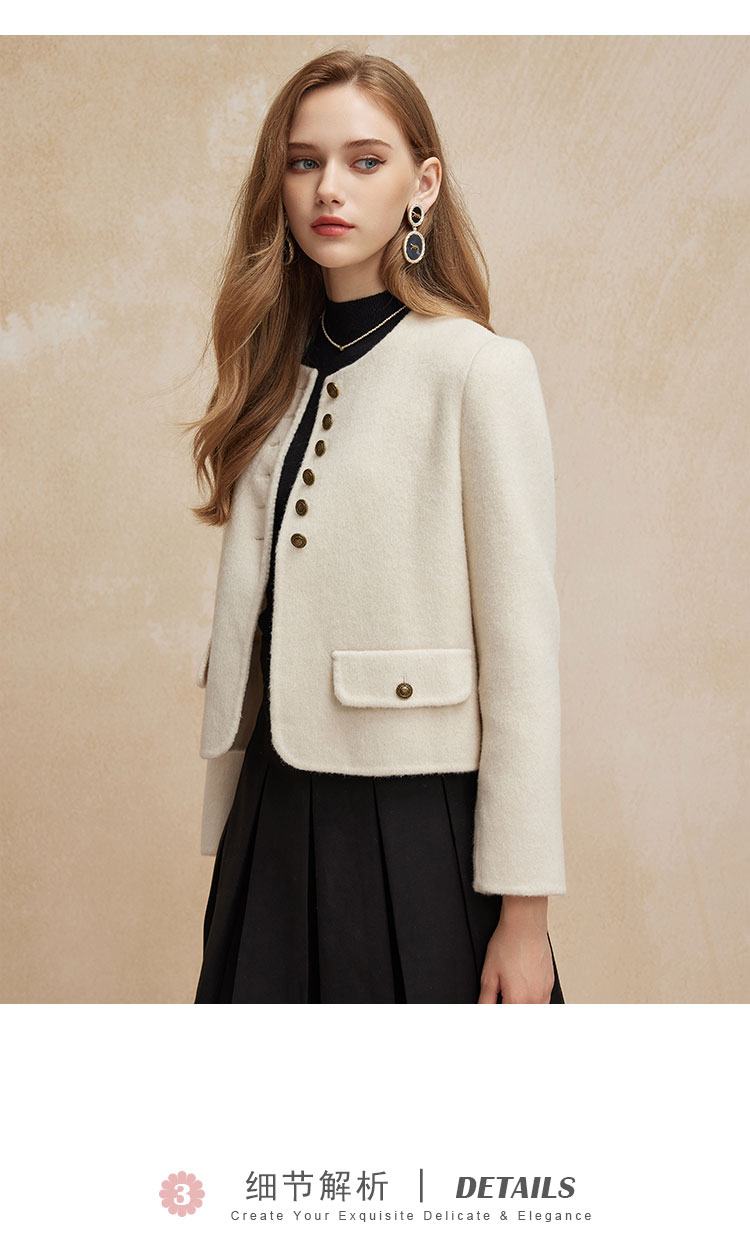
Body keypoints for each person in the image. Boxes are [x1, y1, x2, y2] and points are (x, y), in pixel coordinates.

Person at [187, 48, 566, 1004]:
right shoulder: (273, 376)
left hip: (414, 820)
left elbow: (523, 661)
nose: (329, 187)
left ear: (421, 185)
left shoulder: (477, 370)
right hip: (272, 812)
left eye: (365, 160)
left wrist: (524, 915)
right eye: (303, 161)